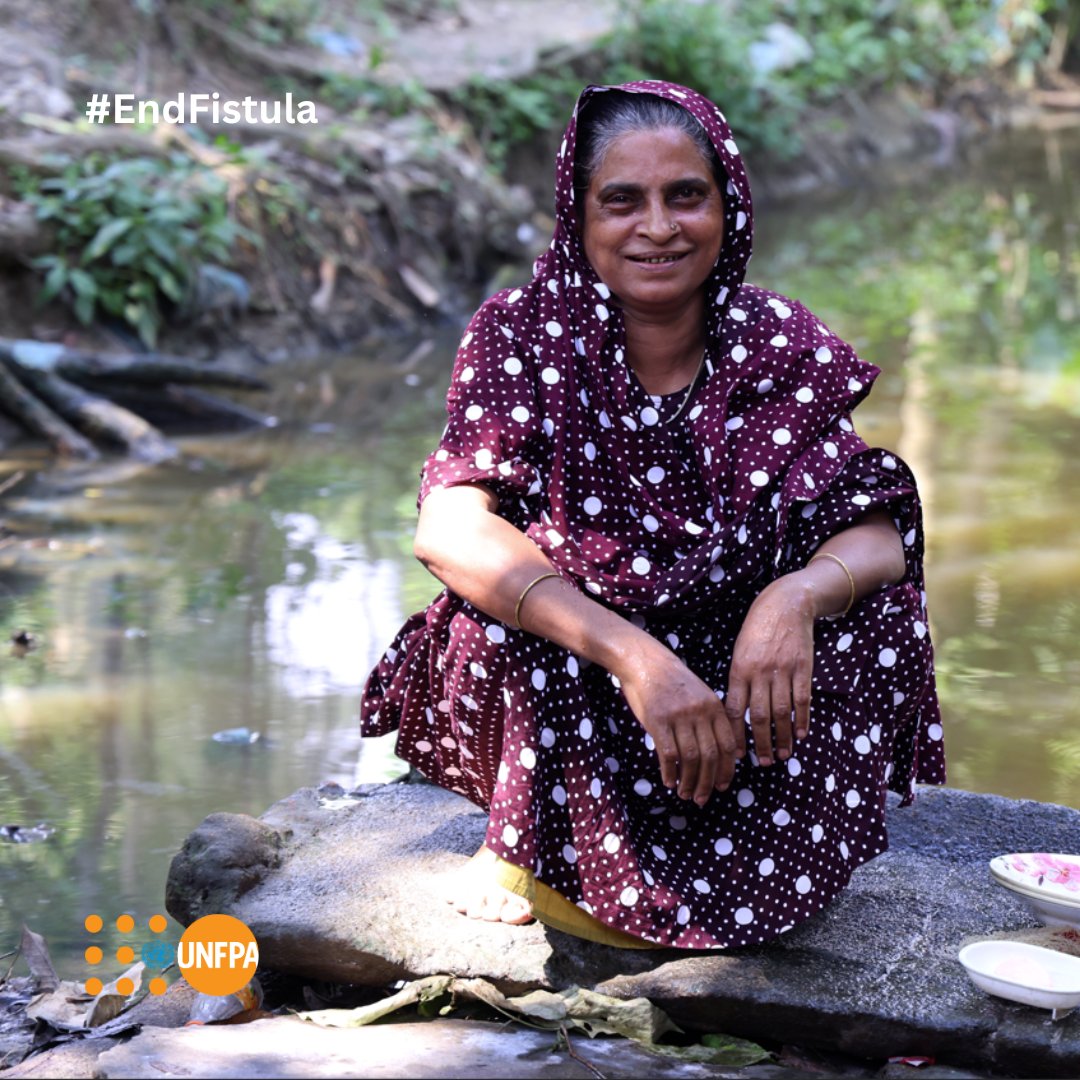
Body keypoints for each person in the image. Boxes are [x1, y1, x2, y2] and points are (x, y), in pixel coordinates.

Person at [360, 80, 945, 950]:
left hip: (736, 679)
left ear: (728, 206)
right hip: (582, 672)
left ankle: (767, 854)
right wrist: (634, 656)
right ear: (579, 216)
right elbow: (447, 528)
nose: (659, 227)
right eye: (622, 201)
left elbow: (873, 529)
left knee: (870, 621)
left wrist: (792, 599)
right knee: (502, 627)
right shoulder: (522, 335)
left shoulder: (777, 341)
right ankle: (532, 846)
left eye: (686, 196)